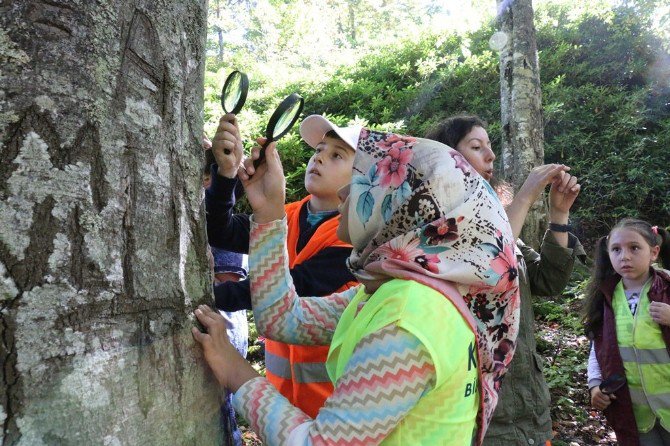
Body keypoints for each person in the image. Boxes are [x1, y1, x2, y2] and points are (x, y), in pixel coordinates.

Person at [193, 127, 521, 445]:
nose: (345, 192)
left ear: (401, 208)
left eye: (364, 182)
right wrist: (268, 213)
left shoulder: (407, 320)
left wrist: (237, 375)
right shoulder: (394, 291)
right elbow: (283, 317)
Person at [425, 115, 585, 446]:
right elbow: (485, 261)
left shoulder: (499, 223)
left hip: (529, 407)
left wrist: (559, 215)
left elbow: (549, 281)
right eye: (476, 146)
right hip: (477, 416)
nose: (490, 155)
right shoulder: (434, 229)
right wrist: (525, 196)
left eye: (490, 146)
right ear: (445, 157)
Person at [204, 114, 359, 417]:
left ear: (363, 177)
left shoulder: (355, 236)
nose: (320, 159)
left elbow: (294, 283)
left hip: (333, 410)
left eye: (337, 155)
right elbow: (219, 231)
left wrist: (204, 301)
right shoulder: (284, 214)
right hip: (279, 405)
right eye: (319, 150)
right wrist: (226, 176)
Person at [584, 218, 670, 445]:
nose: (625, 256)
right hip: (636, 415)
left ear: (654, 252)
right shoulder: (606, 296)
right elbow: (598, 348)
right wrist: (594, 384)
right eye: (616, 249)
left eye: (634, 248)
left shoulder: (668, 285)